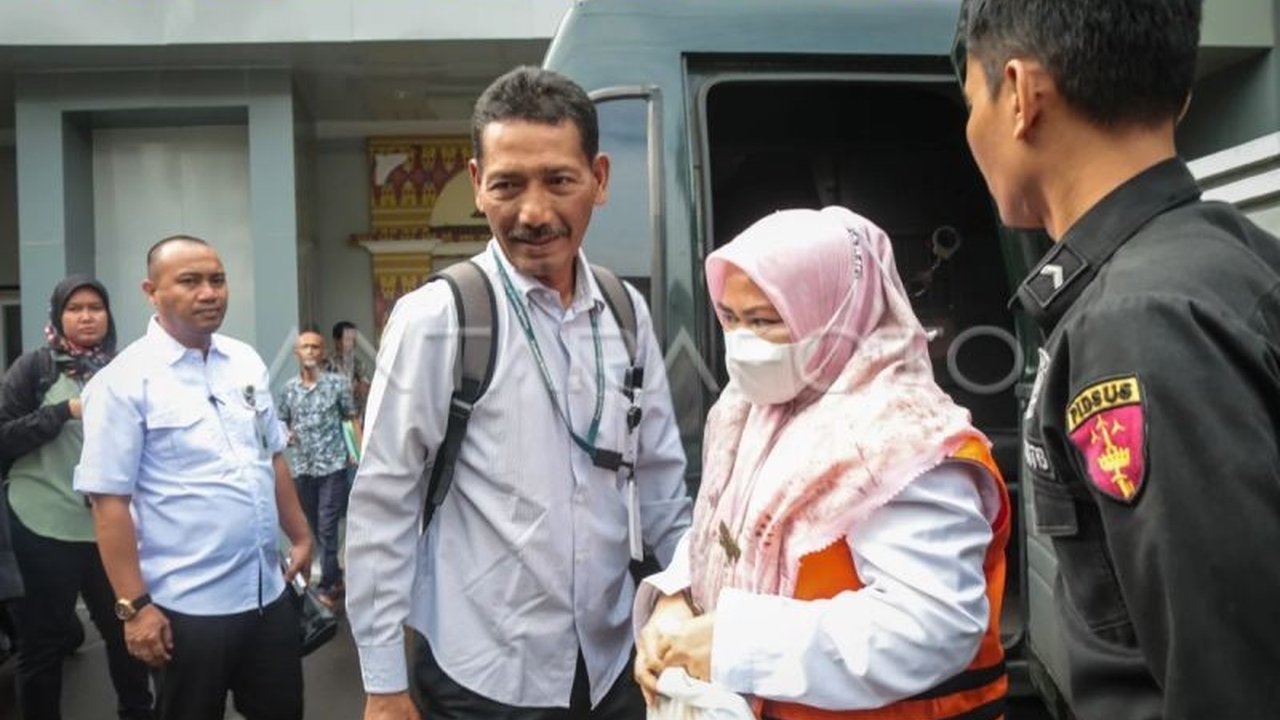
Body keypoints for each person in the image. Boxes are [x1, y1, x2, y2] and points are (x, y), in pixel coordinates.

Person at [960, 1, 1280, 718]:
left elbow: (1230, 687)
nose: (969, 131)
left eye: (970, 100)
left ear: (1019, 94)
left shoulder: (1134, 321)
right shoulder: (1223, 256)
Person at [345, 65, 692, 720]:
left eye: (560, 180)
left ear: (600, 178)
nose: (534, 213)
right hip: (484, 674)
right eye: (508, 185)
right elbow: (382, 505)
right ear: (477, 185)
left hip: (616, 664)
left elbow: (661, 483)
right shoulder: (439, 318)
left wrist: (692, 610)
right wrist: (384, 684)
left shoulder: (625, 312)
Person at [633, 207, 1011, 719]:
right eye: (730, 318)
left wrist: (733, 643)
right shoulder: (750, 410)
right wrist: (678, 601)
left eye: (765, 321)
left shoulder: (903, 444)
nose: (742, 342)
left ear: (835, 317)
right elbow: (730, 530)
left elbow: (935, 625)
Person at [73, 236, 314, 720]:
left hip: (267, 594)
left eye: (217, 280)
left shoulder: (244, 360)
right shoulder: (123, 381)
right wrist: (134, 607)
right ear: (151, 291)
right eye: (190, 281)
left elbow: (272, 456)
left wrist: (302, 535)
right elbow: (110, 503)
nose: (209, 293)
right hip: (187, 610)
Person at [0, 275, 154, 720]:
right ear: (57, 316)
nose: (86, 316)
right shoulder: (35, 369)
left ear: (108, 315)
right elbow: (5, 435)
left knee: (128, 632)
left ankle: (137, 713)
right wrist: (64, 411)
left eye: (95, 307)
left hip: (112, 528)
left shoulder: (126, 370)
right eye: (74, 309)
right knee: (43, 643)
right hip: (42, 523)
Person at [278, 329, 361, 609]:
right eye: (305, 347)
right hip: (303, 467)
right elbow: (281, 421)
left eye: (316, 347)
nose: (311, 351)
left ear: (323, 353)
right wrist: (285, 435)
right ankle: (335, 578)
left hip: (333, 465)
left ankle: (328, 585)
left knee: (327, 525)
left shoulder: (337, 385)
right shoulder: (289, 389)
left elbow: (350, 419)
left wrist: (357, 453)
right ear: (297, 354)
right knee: (313, 525)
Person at [327, 320, 370, 414]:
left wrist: (363, 387)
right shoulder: (327, 363)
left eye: (353, 339)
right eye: (347, 339)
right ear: (337, 341)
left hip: (355, 415)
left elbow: (365, 384)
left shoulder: (358, 363)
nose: (352, 343)